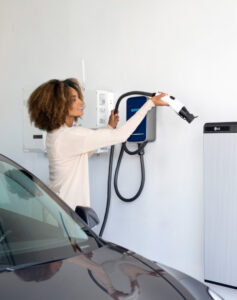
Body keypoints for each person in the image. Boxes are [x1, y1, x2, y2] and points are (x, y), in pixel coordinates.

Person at [28, 78, 168, 209]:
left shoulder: (55, 134)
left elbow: (83, 153)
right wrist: (150, 104)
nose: (80, 103)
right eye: (73, 99)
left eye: (78, 98)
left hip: (57, 207)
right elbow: (122, 135)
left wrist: (108, 129)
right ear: (60, 106)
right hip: (66, 214)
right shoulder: (69, 136)